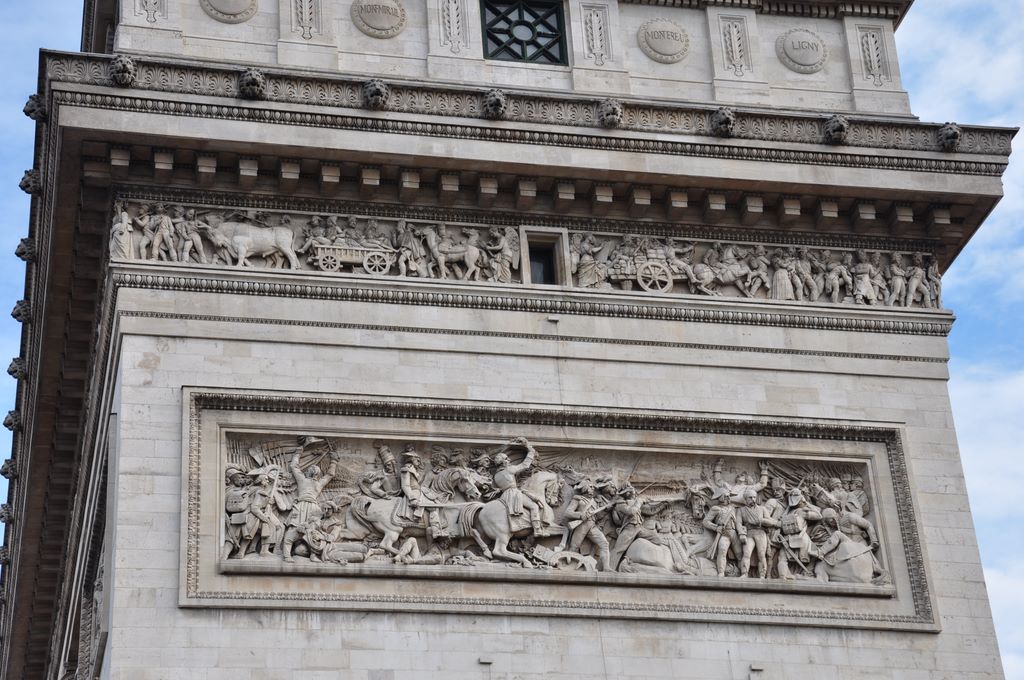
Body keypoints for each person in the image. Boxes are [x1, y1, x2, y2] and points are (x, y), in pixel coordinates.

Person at [282, 440, 338, 562]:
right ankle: (312, 555)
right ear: (318, 475)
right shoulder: (319, 483)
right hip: (314, 508)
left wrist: (298, 452)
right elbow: (330, 474)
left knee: (295, 532)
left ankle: (287, 555)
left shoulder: (302, 479)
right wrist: (333, 460)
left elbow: (293, 466)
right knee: (312, 532)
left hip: (301, 506)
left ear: (308, 472)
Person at [609, 483, 671, 570]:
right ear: (626, 493)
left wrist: (662, 505)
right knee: (618, 549)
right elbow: (631, 512)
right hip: (629, 528)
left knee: (656, 538)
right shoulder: (620, 504)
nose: (633, 493)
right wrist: (639, 502)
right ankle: (610, 569)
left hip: (639, 528)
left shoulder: (634, 503)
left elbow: (650, 511)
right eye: (631, 492)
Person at [491, 437, 545, 535]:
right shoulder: (509, 470)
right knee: (534, 506)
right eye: (507, 459)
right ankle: (537, 530)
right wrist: (530, 451)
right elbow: (525, 465)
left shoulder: (496, 475)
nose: (509, 460)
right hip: (514, 493)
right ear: (503, 462)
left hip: (504, 497)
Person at [397, 446, 445, 538]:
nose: (418, 461)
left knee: (435, 503)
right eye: (417, 459)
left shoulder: (414, 470)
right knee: (433, 508)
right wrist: (412, 498)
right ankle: (435, 531)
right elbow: (405, 486)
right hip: (414, 493)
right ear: (411, 459)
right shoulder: (406, 470)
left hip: (420, 492)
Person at [564, 479, 612, 571]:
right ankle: (566, 566)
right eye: (590, 487)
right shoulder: (578, 499)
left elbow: (598, 517)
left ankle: (606, 567)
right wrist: (580, 515)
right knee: (574, 547)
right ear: (585, 487)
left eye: (593, 487)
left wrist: (606, 510)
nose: (592, 489)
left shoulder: (594, 501)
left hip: (592, 525)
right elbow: (568, 513)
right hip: (582, 525)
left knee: (604, 543)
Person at [703, 488, 745, 577]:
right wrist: (716, 527)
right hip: (724, 534)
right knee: (722, 552)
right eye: (726, 496)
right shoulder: (716, 508)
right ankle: (721, 573)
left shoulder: (733, 508)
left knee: (740, 554)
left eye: (729, 496)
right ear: (720, 497)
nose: (728, 498)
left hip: (734, 533)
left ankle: (744, 573)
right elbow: (705, 521)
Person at [737, 488, 779, 578]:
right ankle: (744, 573)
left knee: (761, 554)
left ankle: (762, 575)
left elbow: (770, 521)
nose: (753, 499)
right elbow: (739, 523)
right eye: (750, 497)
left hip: (761, 533)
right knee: (746, 553)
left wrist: (760, 521)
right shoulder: (741, 510)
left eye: (754, 497)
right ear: (745, 499)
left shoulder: (762, 509)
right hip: (749, 533)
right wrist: (741, 533)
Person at [223, 465, 252, 559]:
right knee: (232, 536)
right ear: (233, 479)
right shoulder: (229, 490)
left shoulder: (242, 490)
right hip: (231, 518)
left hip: (240, 517)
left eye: (243, 477)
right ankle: (225, 555)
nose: (242, 480)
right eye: (239, 477)